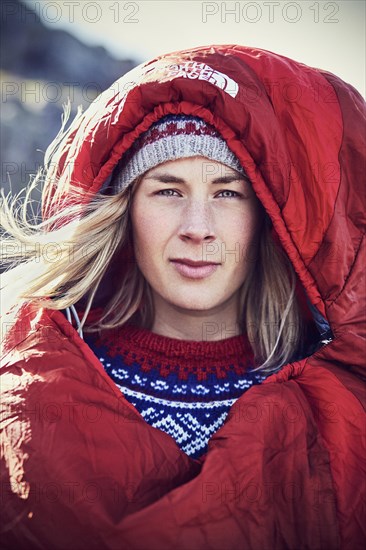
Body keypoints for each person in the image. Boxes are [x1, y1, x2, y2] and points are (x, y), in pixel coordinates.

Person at [0, 44, 365, 550]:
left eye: (228, 192)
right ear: (124, 210)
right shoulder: (33, 381)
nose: (198, 229)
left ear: (269, 218)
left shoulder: (337, 409)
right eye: (167, 190)